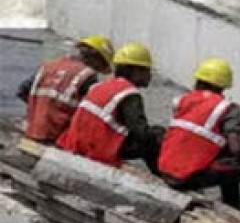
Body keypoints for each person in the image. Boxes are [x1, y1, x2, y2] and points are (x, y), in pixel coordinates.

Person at [158, 59, 240, 218]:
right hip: (187, 177)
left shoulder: (183, 100)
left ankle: (232, 206)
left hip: (166, 171)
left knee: (228, 162)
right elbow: (235, 147)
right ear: (222, 86)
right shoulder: (227, 108)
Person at [56, 43, 165, 172]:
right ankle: (162, 174)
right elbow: (141, 132)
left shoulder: (101, 85)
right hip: (98, 148)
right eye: (147, 70)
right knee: (156, 135)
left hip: (76, 144)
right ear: (135, 71)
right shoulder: (129, 94)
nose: (150, 76)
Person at [17, 35, 114, 144]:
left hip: (32, 131)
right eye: (102, 65)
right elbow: (92, 112)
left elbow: (22, 91)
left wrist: (41, 109)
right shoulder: (87, 76)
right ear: (96, 59)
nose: (99, 71)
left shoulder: (49, 67)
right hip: (58, 138)